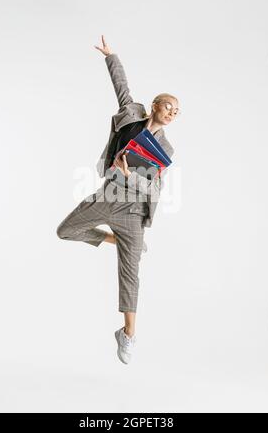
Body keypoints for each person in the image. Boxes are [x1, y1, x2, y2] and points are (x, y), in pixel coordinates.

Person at [56, 35, 179, 364]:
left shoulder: (165, 149)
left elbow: (154, 190)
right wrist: (112, 57)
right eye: (168, 106)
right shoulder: (131, 114)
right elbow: (121, 86)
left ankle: (127, 335)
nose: (172, 113)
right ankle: (114, 239)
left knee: (130, 272)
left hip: (134, 209)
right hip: (107, 196)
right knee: (66, 230)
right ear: (154, 105)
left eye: (177, 112)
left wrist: (130, 177)